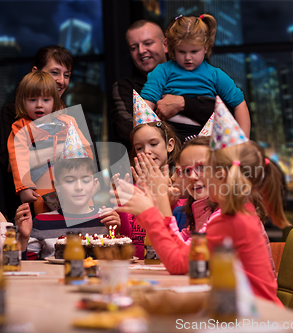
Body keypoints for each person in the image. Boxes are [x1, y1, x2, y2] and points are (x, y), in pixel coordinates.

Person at [113, 105, 288, 305]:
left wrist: (154, 207)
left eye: (203, 168)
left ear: (221, 174)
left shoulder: (231, 219)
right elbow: (182, 254)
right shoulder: (230, 213)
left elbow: (177, 262)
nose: (194, 177)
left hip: (256, 318)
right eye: (186, 170)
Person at [0, 45, 96, 219]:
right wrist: (24, 187)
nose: (61, 81)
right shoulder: (17, 121)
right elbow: (13, 160)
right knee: (46, 225)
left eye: (67, 75)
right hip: (41, 192)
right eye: (55, 72)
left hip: (76, 190)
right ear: (35, 73)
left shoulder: (70, 119)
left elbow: (88, 155)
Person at [140, 14, 250, 138]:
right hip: (170, 134)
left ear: (206, 48)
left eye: (194, 51)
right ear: (172, 49)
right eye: (181, 51)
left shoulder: (215, 75)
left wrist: (243, 140)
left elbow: (240, 105)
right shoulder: (162, 71)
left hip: (206, 135)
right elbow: (146, 105)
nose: (188, 58)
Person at [111, 19, 216, 148]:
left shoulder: (194, 74)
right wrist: (184, 144)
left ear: (165, 45)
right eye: (134, 47)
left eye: (148, 43)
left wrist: (183, 104)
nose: (141, 51)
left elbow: (221, 113)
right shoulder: (126, 87)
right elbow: (127, 130)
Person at [23, 125, 120, 259]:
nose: (79, 187)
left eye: (85, 180)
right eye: (70, 181)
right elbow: (28, 265)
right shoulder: (41, 222)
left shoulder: (105, 220)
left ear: (94, 184)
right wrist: (23, 238)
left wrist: (116, 230)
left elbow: (116, 260)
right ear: (56, 186)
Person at [128, 102, 181, 258]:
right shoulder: (132, 190)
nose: (146, 151)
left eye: (153, 144)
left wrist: (167, 201)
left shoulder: (182, 189)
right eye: (139, 148)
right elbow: (127, 238)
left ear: (169, 145)